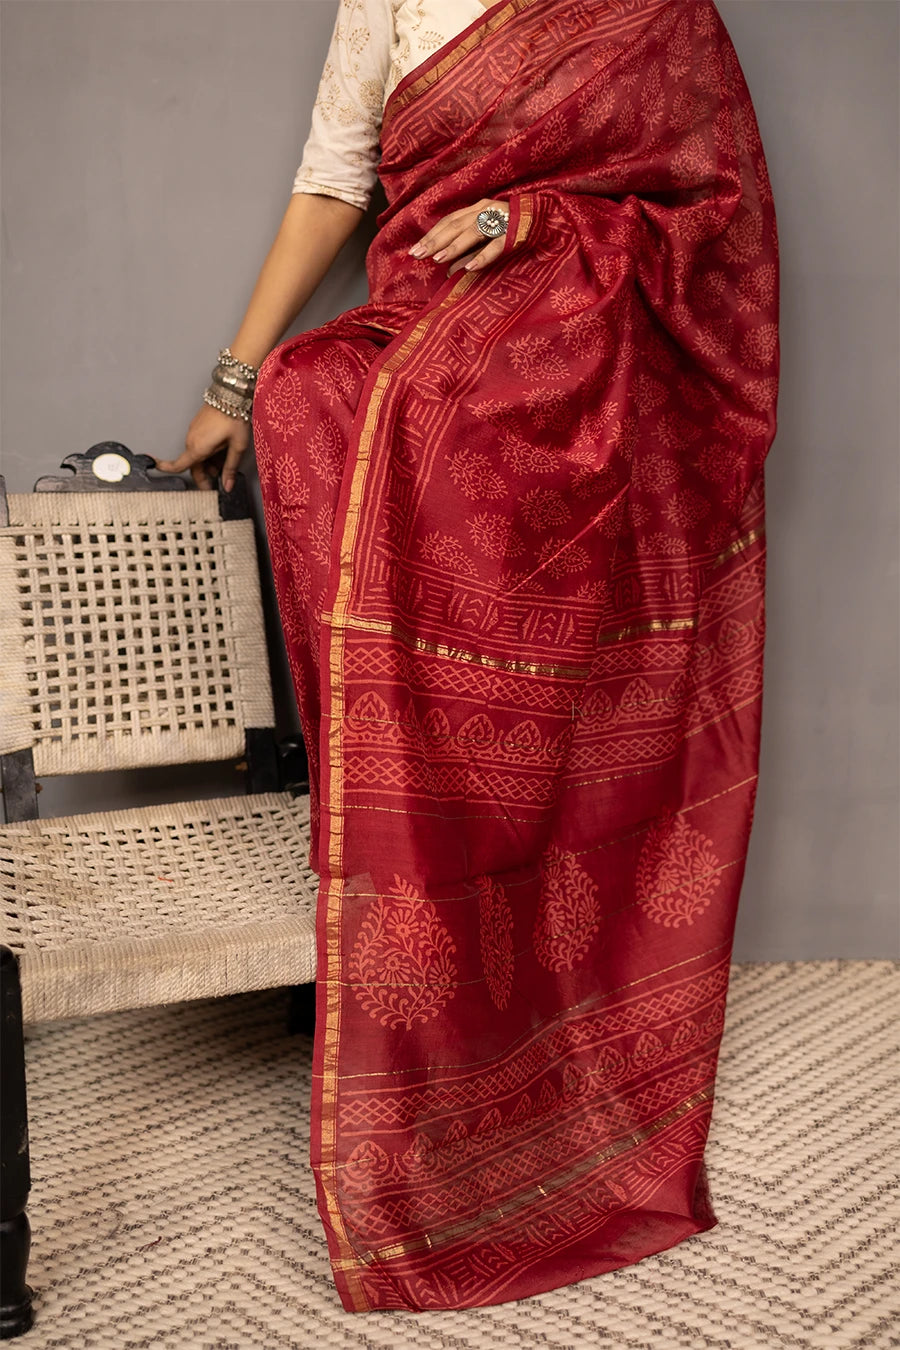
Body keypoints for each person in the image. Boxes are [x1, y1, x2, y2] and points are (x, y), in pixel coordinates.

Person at [157, 0, 779, 1314]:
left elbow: (705, 204)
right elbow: (336, 174)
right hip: (430, 312)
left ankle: (543, 972)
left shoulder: (648, 12)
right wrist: (228, 382)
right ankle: (420, 917)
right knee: (316, 397)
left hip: (578, 342)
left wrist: (539, 225)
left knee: (426, 419)